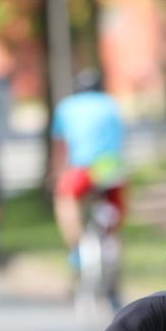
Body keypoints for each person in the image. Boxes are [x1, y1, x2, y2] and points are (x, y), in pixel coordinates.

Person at [50, 68, 127, 267]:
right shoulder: (111, 104)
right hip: (111, 167)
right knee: (115, 206)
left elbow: (61, 146)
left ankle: (76, 249)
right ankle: (111, 243)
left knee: (65, 200)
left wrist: (56, 173)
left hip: (82, 168)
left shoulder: (66, 107)